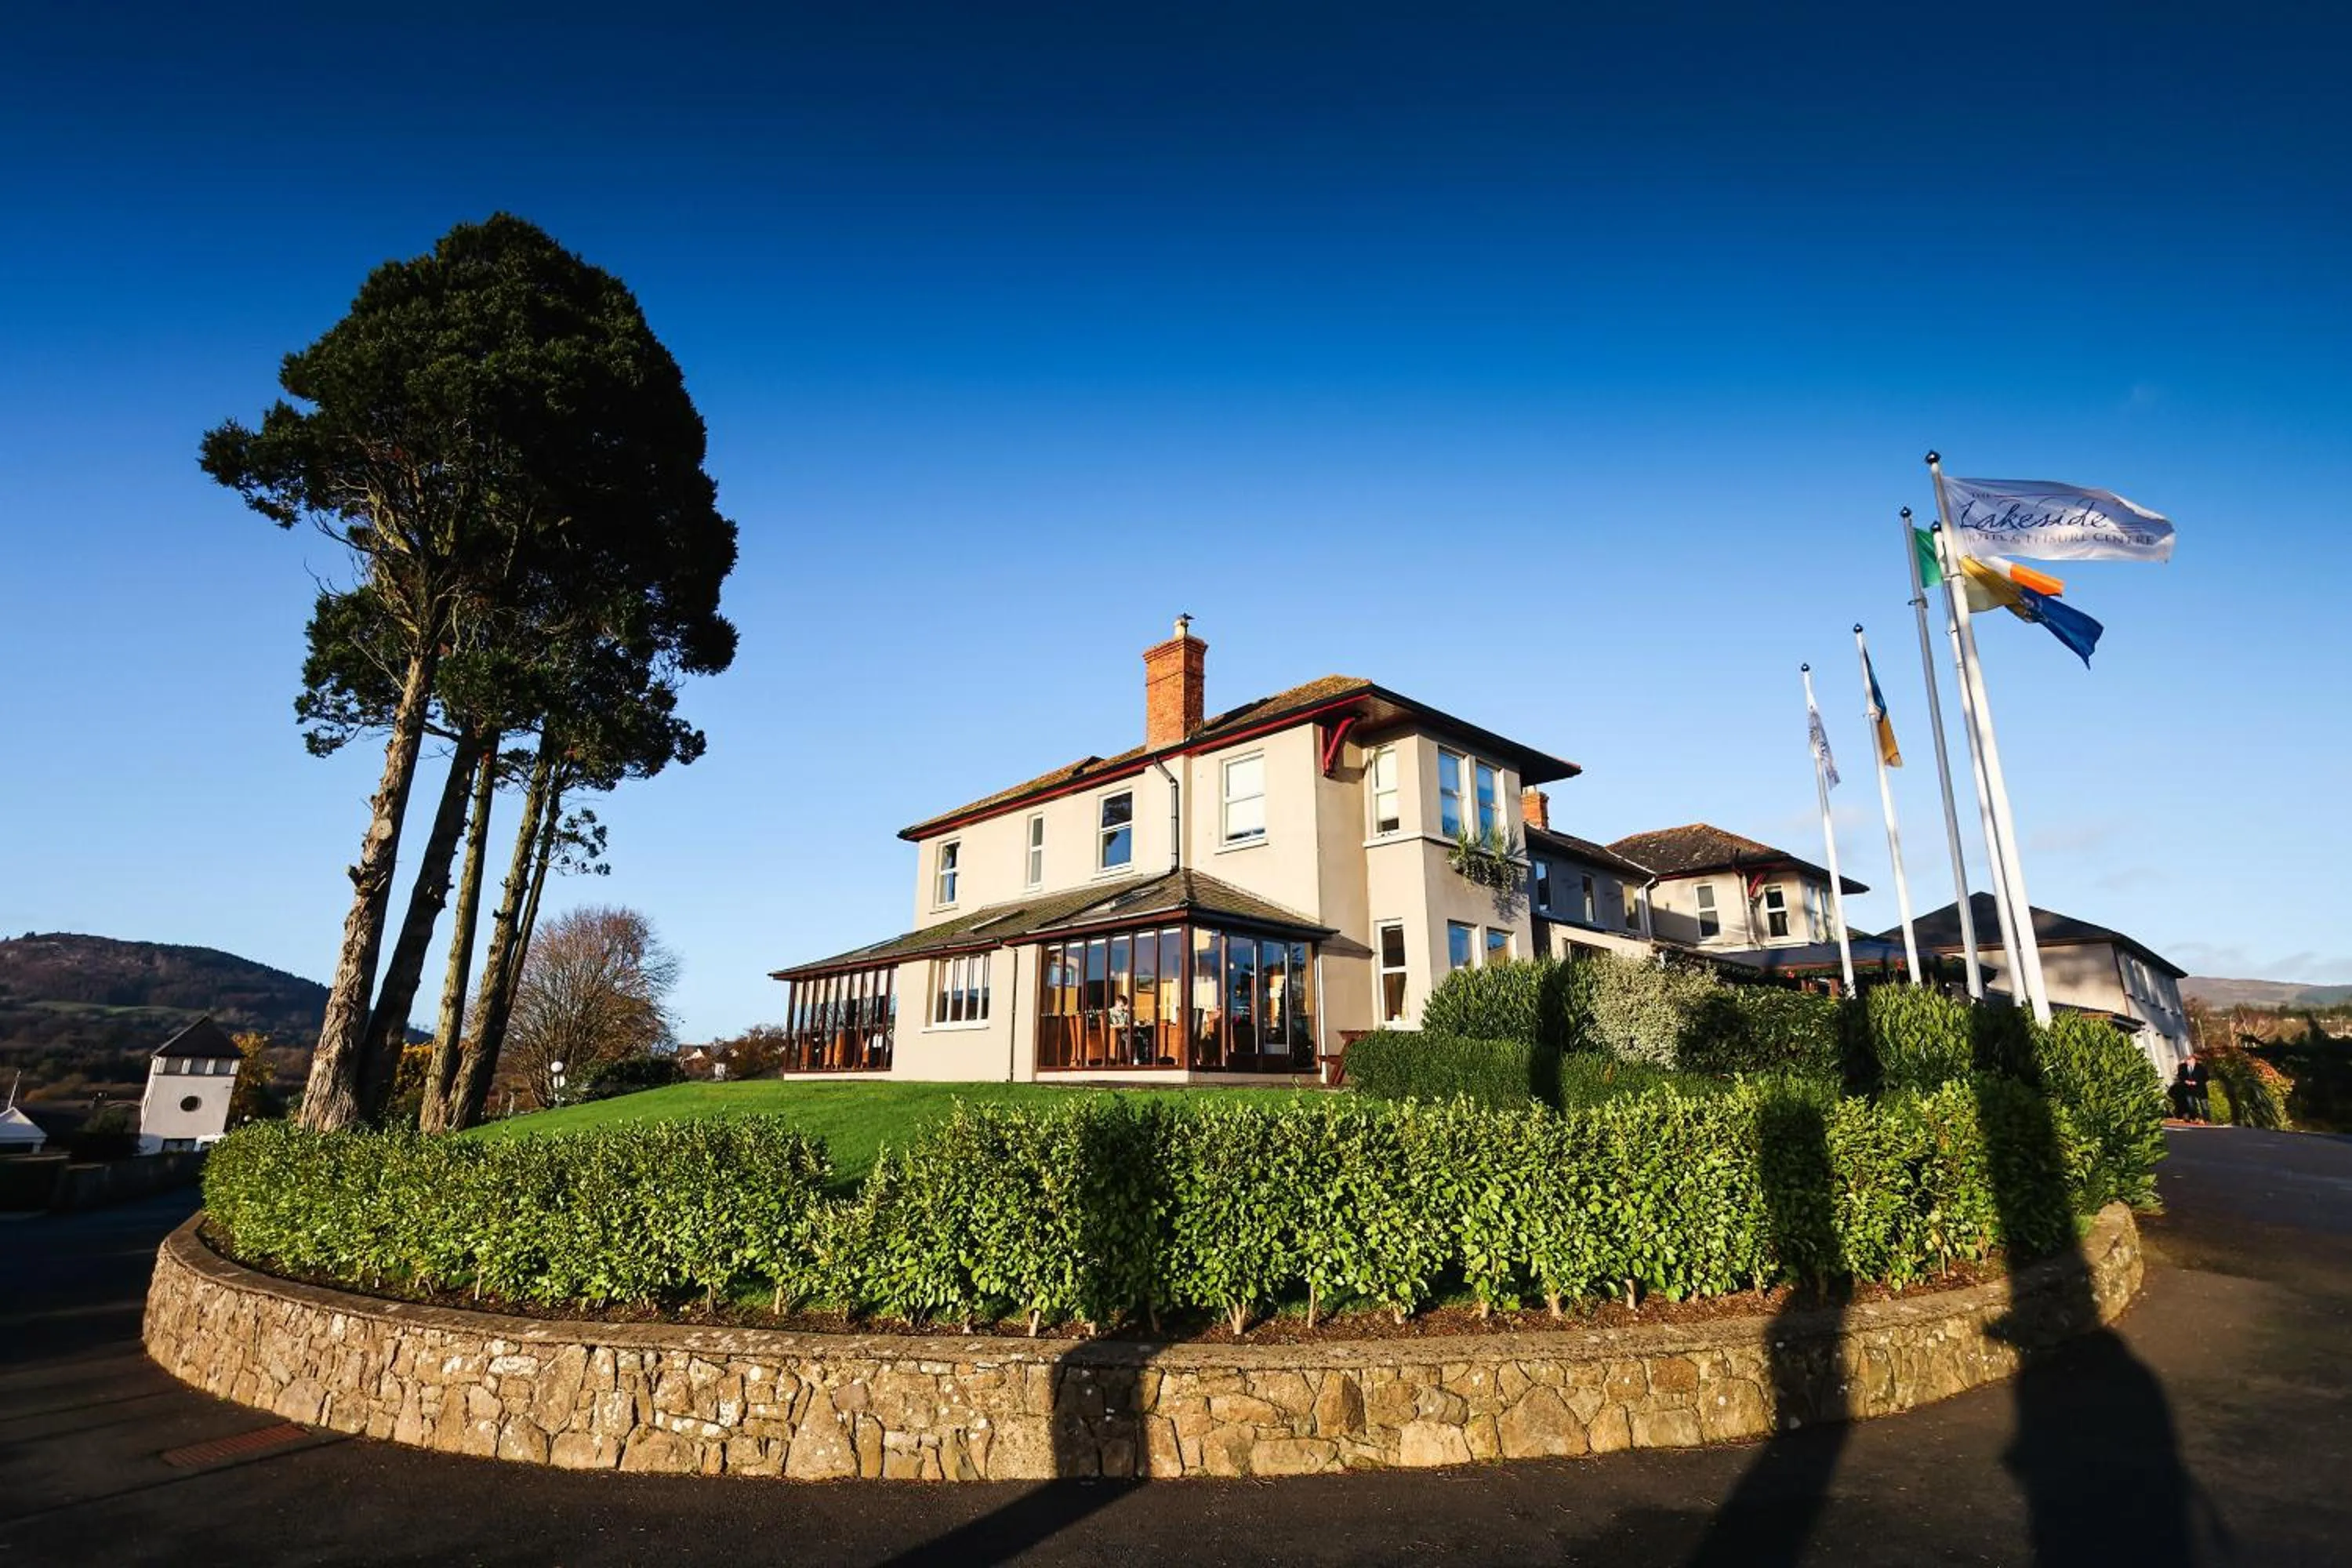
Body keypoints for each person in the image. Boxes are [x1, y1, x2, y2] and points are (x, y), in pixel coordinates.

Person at [2172, 1051, 2211, 1123]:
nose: (2188, 1063)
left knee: (2204, 1105)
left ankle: (2207, 1119)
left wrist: (2197, 1082)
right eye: (2187, 1061)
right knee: (2191, 1105)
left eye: (2190, 1061)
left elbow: (2206, 1077)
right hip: (2189, 1089)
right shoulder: (2183, 1067)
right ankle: (2195, 1117)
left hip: (2200, 1089)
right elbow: (2180, 1076)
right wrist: (2185, 1081)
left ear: (2194, 1060)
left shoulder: (2200, 1067)